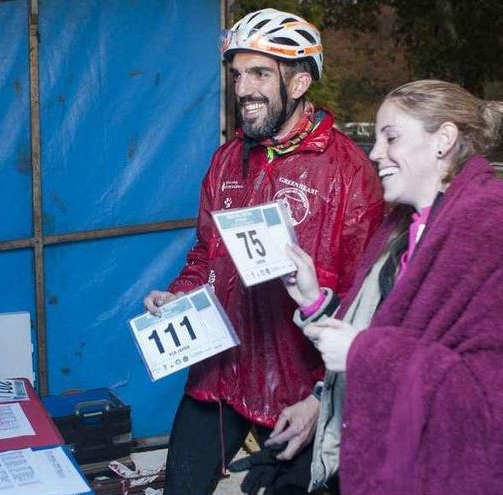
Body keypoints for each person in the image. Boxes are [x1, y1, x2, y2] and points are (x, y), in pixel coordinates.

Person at [282, 79, 503, 494]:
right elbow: (385, 329)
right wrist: (313, 300)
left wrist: (364, 354)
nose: (375, 152)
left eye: (390, 137)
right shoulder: (404, 226)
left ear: (443, 140)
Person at [143, 8, 383, 494]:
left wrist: (325, 396)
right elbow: (205, 255)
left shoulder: (350, 173)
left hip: (301, 393)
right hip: (221, 374)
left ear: (297, 84)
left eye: (259, 73)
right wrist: (179, 296)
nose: (243, 89)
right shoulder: (226, 160)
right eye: (236, 75)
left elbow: (368, 303)